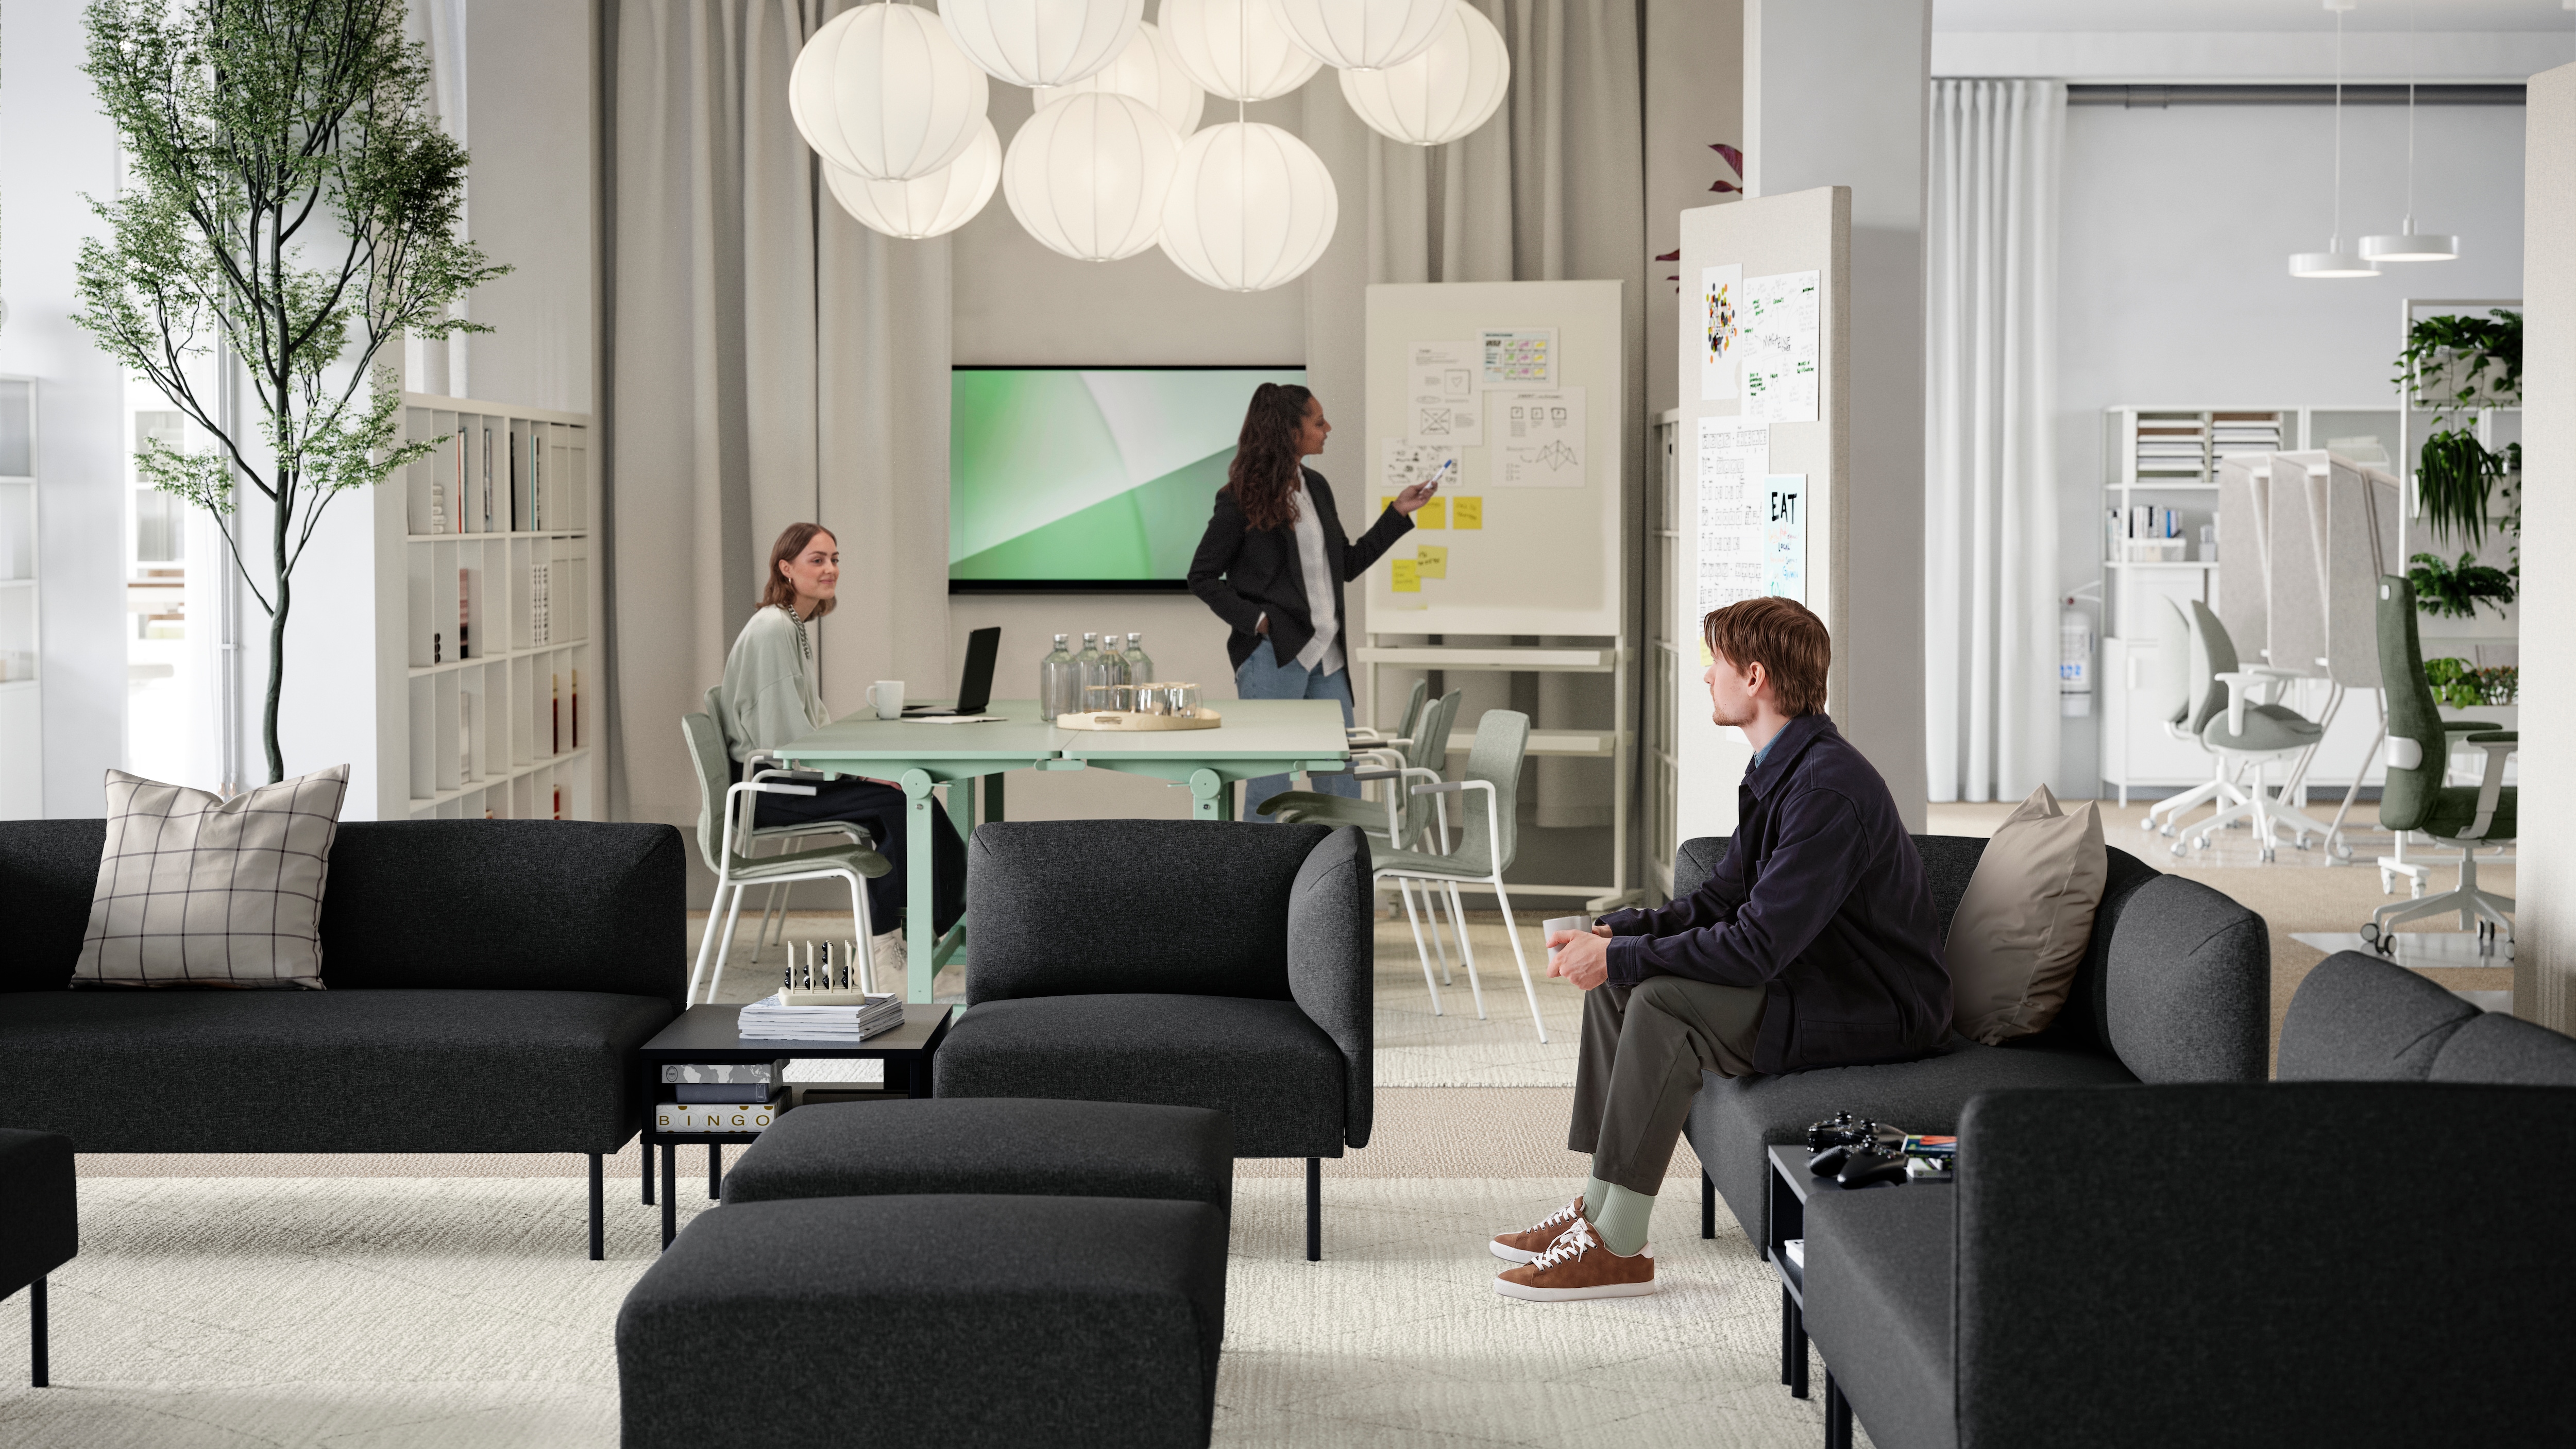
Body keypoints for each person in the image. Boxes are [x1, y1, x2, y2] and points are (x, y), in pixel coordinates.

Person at [1487, 596, 1951, 1302]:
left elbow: (1759, 946)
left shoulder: (1827, 790)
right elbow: (1718, 900)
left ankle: (1617, 1247)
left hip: (1872, 1006)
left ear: (1756, 676)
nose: (1707, 677)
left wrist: (1623, 958)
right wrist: (1621, 934)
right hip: (1814, 979)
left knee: (1660, 1000)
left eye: (1718, 664)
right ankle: (1598, 1210)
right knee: (1623, 983)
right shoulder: (1781, 767)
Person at [717, 522, 966, 975]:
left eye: (835, 559)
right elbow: (784, 741)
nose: (830, 568)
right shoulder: (774, 629)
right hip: (770, 790)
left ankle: (913, 927)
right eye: (818, 560)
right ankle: (905, 934)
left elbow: (804, 725)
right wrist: (855, 773)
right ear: (786, 568)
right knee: (900, 798)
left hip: (784, 779)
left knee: (900, 800)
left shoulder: (789, 624)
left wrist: (855, 768)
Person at [1187, 382, 1439, 820]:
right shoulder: (1239, 498)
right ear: (1290, 431)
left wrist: (1397, 513)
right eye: (1318, 422)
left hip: (1328, 657)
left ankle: (1340, 880)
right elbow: (1202, 576)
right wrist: (1259, 621)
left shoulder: (1316, 486)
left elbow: (1347, 562)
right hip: (1272, 656)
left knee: (1341, 782)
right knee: (1270, 787)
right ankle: (1259, 887)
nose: (1328, 429)